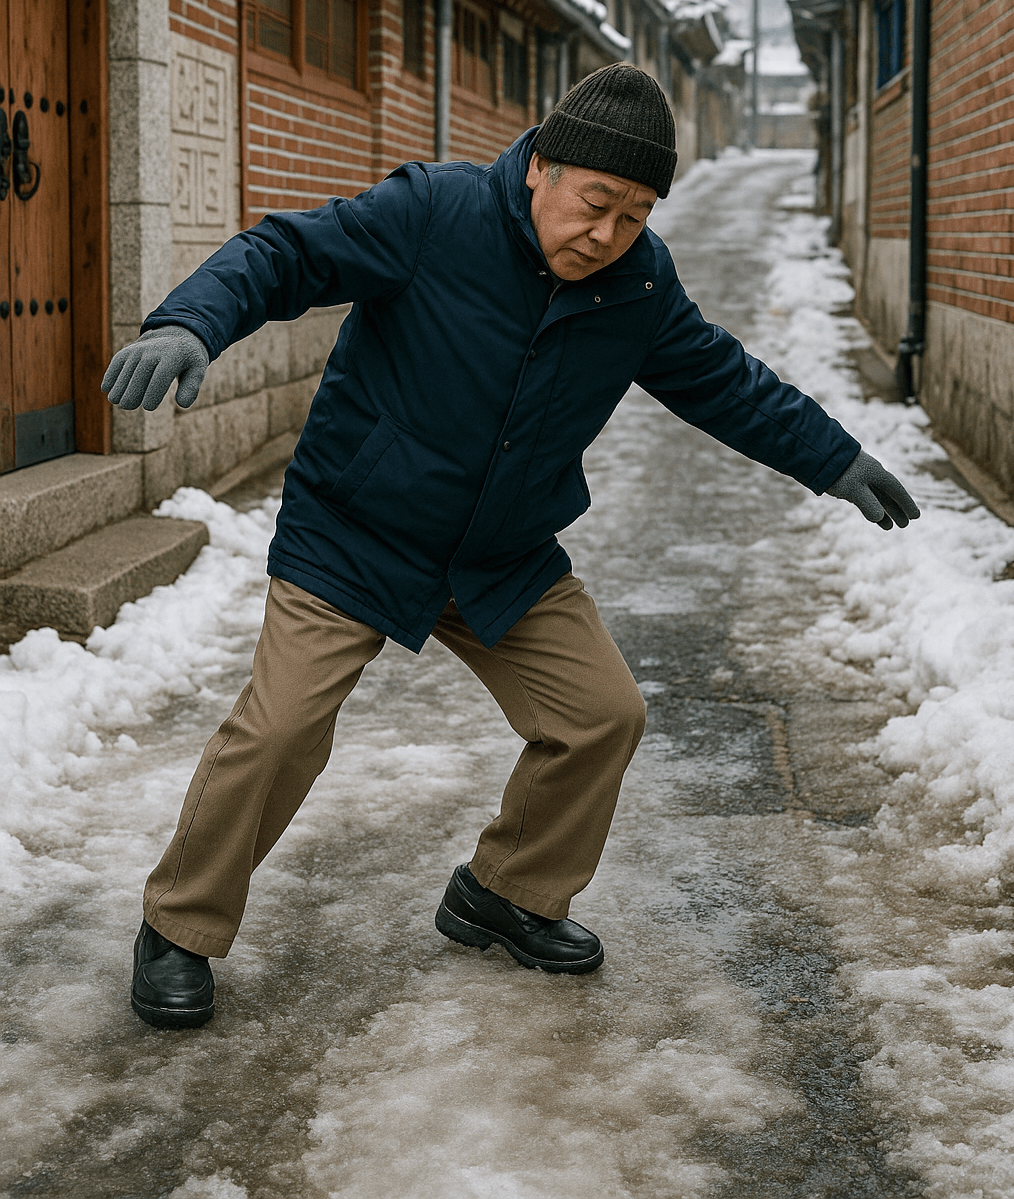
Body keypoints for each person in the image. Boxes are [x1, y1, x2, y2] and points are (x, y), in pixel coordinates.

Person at [104, 65, 919, 1029]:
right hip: (356, 533)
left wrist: (835, 458)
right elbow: (284, 254)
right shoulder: (433, 213)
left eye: (636, 214)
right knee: (280, 730)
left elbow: (728, 385)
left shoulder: (640, 286)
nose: (608, 235)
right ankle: (180, 926)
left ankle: (507, 892)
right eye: (596, 204)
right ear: (540, 166)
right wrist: (194, 320)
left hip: (500, 552)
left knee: (602, 714)